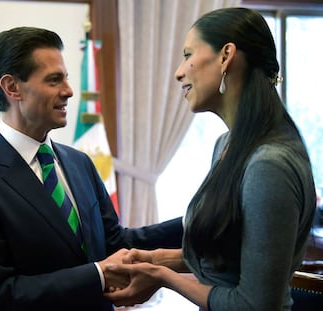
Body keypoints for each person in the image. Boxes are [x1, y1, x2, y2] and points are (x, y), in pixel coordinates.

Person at [0, 26, 183, 311]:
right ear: (12, 87)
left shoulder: (79, 163)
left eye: (65, 78)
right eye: (54, 80)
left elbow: (115, 242)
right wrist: (99, 275)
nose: (68, 91)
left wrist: (193, 222)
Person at [104, 7, 316, 310]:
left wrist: (162, 277)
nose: (179, 71)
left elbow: (254, 305)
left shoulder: (269, 165)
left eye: (188, 54)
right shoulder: (227, 144)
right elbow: (227, 258)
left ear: (226, 56)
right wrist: (154, 259)